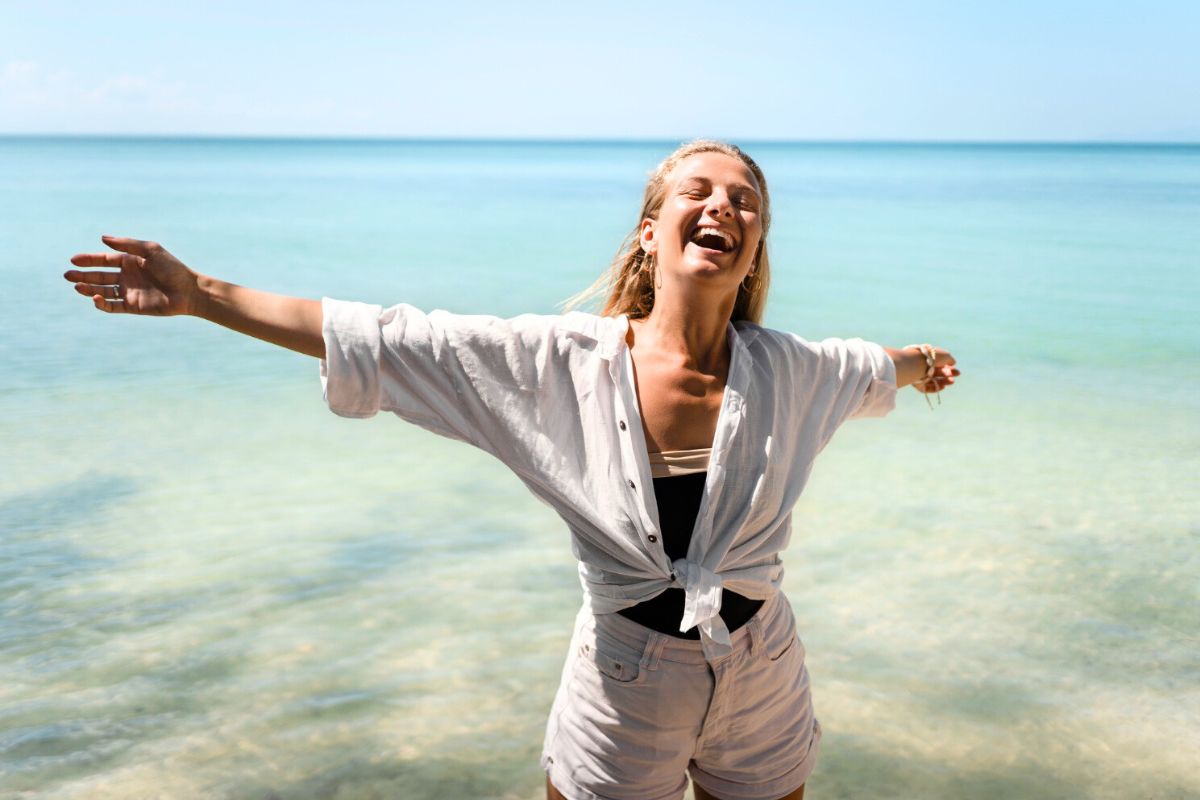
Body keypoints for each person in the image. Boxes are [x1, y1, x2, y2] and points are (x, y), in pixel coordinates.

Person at [63, 139, 958, 800]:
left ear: (754, 247)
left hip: (762, 666)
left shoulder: (794, 368)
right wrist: (200, 296)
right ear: (652, 232)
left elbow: (873, 367)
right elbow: (389, 338)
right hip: (625, 682)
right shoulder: (557, 366)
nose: (724, 205)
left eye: (745, 200)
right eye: (699, 190)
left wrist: (924, 362)